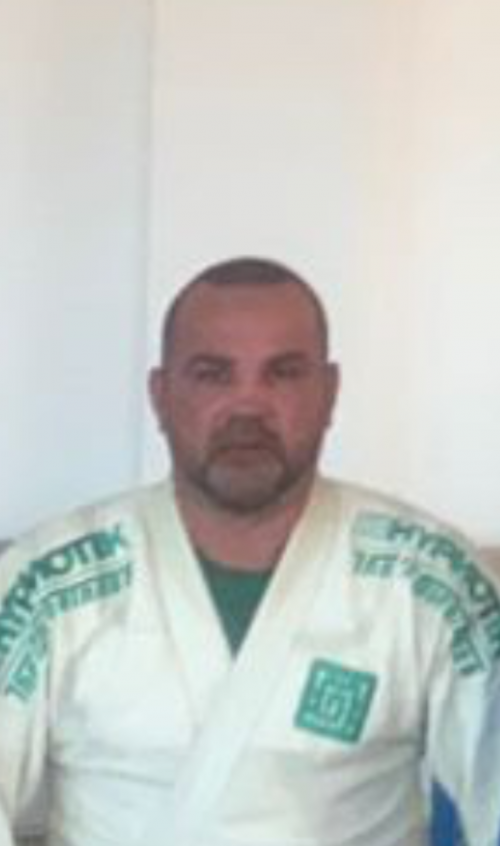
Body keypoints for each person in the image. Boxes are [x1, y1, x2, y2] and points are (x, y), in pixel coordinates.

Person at [0, 257, 498, 846]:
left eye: (283, 374)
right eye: (213, 374)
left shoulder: (428, 578)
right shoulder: (49, 583)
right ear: (161, 396)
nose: (248, 406)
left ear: (329, 393)